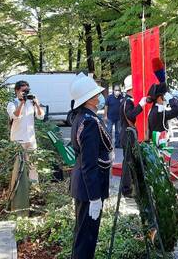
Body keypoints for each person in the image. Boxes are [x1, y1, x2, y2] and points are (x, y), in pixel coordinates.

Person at [69, 74, 114, 259]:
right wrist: (95, 197)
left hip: (84, 187)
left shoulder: (82, 117)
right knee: (86, 239)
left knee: (83, 236)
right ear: (88, 99)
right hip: (89, 190)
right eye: (96, 94)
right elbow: (89, 164)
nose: (100, 96)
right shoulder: (89, 122)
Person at [7, 80, 45, 183]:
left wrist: (37, 104)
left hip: (31, 139)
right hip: (18, 139)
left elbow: (41, 116)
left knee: (33, 165)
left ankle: (34, 187)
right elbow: (15, 115)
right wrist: (22, 103)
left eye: (27, 90)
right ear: (16, 91)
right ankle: (18, 188)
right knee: (18, 166)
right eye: (23, 91)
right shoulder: (12, 103)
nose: (25, 93)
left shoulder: (31, 102)